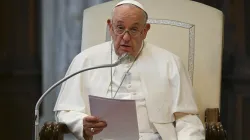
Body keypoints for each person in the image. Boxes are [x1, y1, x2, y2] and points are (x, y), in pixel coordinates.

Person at [54, 0, 205, 140]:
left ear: (145, 31)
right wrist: (81, 123)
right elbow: (65, 111)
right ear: (110, 27)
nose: (125, 37)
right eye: (120, 28)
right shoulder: (86, 60)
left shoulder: (170, 63)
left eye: (133, 29)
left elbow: (187, 118)